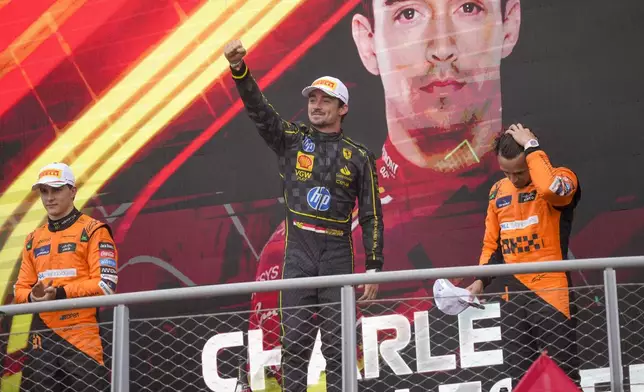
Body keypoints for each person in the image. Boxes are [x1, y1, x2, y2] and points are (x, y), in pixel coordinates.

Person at [249, 0, 521, 387]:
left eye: (468, 7)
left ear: (509, 25)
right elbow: (269, 381)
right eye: (408, 14)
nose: (441, 46)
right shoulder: (289, 248)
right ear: (368, 41)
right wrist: (241, 73)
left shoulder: (553, 193)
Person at [224, 39, 384, 392]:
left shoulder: (359, 156)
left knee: (339, 346)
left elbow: (372, 215)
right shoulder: (292, 140)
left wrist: (374, 266)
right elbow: (259, 111)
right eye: (312, 99)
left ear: (343, 108)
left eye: (325, 100)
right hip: (298, 251)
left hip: (337, 254)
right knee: (294, 342)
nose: (316, 105)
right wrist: (239, 71)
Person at [466, 123, 581, 386]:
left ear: (532, 159)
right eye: (506, 172)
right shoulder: (498, 191)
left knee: (566, 378)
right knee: (522, 382)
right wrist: (480, 280)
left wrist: (532, 147)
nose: (514, 179)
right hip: (514, 296)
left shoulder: (561, 178)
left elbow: (552, 190)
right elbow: (491, 246)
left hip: (552, 291)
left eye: (519, 171)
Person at [13, 162, 118, 391]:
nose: (49, 198)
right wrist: (33, 297)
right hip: (43, 336)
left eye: (57, 190)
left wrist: (60, 293)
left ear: (73, 191)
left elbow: (107, 285)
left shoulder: (94, 230)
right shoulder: (32, 239)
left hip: (82, 334)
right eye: (44, 191)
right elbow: (19, 290)